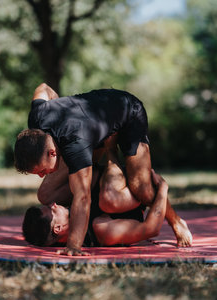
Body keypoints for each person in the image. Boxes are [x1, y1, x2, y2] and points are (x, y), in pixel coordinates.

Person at [15, 83, 191, 255]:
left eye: (41, 171)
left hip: (128, 111)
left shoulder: (75, 146)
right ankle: (107, 164)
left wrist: (74, 246)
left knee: (142, 189)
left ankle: (176, 221)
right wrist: (61, 106)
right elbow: (43, 88)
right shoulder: (37, 120)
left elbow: (83, 197)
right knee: (45, 194)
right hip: (91, 126)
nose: (40, 176)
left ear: (52, 153)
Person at [22, 165, 168, 248]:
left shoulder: (67, 213)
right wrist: (163, 188)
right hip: (127, 187)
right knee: (107, 200)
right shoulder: (101, 229)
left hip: (98, 170)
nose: (53, 204)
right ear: (58, 228)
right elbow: (151, 229)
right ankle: (109, 148)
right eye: (51, 210)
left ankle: (85, 146)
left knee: (44, 194)